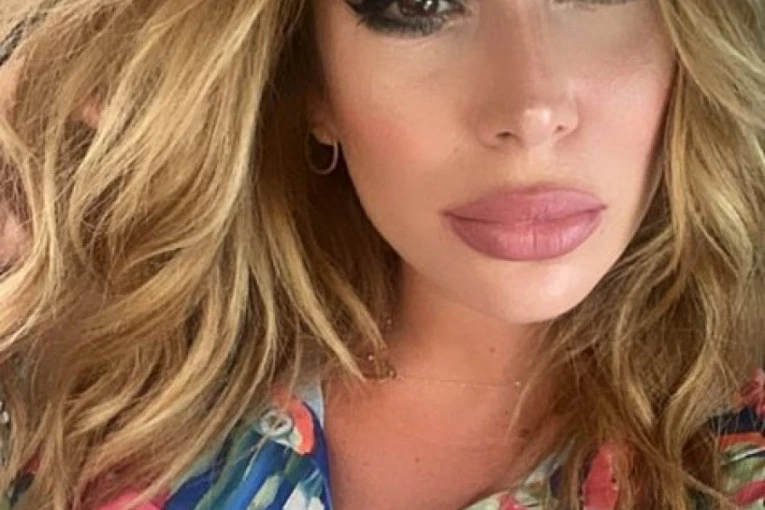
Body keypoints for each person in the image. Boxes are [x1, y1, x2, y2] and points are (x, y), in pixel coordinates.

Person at [0, 0, 763, 508]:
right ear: (314, 85)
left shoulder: (735, 455)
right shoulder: (115, 413)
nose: (530, 109)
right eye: (416, 4)